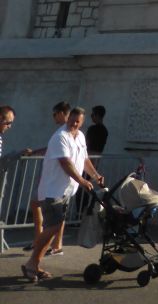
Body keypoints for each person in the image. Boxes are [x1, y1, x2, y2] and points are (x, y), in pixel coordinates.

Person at [22, 107, 104, 283]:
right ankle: (31, 263)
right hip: (53, 191)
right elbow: (65, 163)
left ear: (82, 122)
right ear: (68, 119)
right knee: (52, 227)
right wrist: (83, 181)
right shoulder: (60, 137)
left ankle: (34, 264)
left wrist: (96, 176)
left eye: (77, 121)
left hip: (67, 191)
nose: (74, 123)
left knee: (54, 228)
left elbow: (84, 159)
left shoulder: (80, 136)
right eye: (71, 120)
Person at [23, 101, 71, 255]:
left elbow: (57, 153)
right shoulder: (68, 131)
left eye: (54, 113)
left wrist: (34, 152)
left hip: (55, 180)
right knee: (59, 213)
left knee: (40, 206)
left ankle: (41, 242)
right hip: (59, 180)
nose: (53, 117)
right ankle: (55, 244)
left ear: (62, 113)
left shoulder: (64, 132)